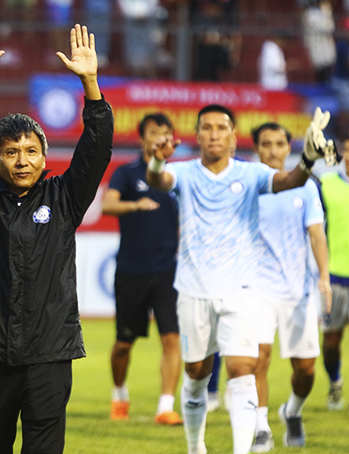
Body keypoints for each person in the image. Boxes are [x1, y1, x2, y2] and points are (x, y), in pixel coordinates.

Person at [0, 22, 113, 453]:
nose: (22, 161)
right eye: (11, 152)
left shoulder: (65, 198)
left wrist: (91, 84)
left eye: (31, 151)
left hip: (49, 354)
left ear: (44, 157)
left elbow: (96, 148)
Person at [146, 104, 339, 454]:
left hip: (243, 290)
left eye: (222, 127)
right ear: (198, 135)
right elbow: (158, 180)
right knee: (196, 375)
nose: (215, 133)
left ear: (234, 135)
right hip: (194, 290)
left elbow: (289, 180)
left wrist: (308, 161)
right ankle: (195, 446)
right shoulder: (185, 173)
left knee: (242, 369)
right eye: (207, 128)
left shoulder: (252, 175)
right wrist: (157, 161)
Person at [249, 122, 331, 452]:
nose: (272, 150)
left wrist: (323, 275)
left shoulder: (306, 187)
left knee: (306, 370)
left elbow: (316, 234)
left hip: (298, 291)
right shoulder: (248, 182)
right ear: (256, 148)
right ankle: (260, 427)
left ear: (288, 148)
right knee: (258, 358)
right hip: (255, 288)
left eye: (279, 144)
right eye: (266, 144)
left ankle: (292, 411)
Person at [101, 112, 182, 425]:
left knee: (172, 339)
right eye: (153, 132)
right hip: (132, 270)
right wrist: (135, 205)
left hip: (168, 272)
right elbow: (107, 205)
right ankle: (119, 393)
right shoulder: (126, 173)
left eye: (165, 132)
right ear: (142, 139)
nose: (160, 137)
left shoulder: (176, 178)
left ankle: (165, 407)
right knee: (123, 344)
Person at [320, 134, 349, 411]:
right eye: (348, 150)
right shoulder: (327, 185)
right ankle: (335, 382)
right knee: (330, 342)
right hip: (337, 278)